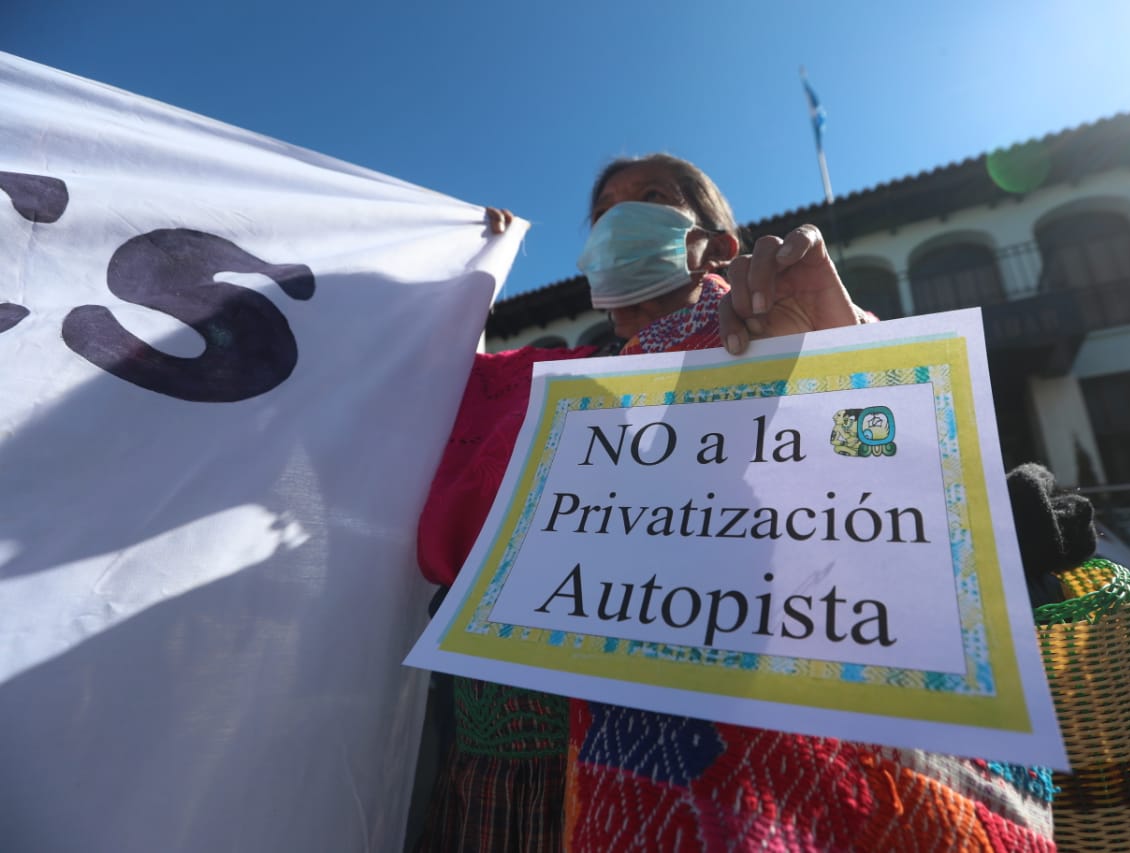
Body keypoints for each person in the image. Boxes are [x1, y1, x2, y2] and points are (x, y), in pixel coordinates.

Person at [418, 155, 1083, 851]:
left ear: (720, 245)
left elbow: (898, 491)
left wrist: (835, 348)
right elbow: (427, 415)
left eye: (651, 197)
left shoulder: (811, 330)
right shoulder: (557, 385)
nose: (620, 217)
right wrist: (467, 283)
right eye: (604, 209)